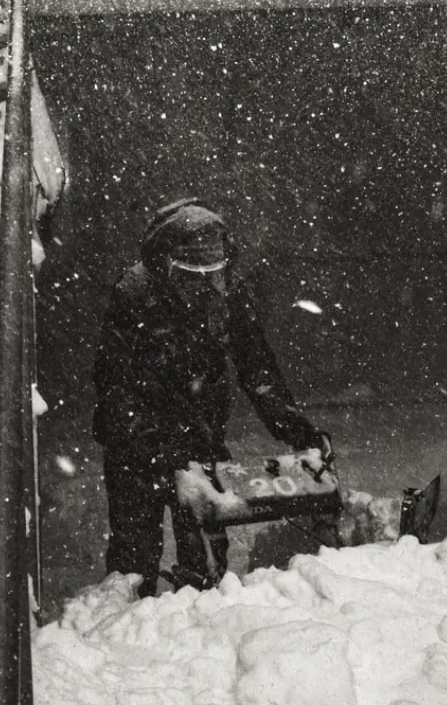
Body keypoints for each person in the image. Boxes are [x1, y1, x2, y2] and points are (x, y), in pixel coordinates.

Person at [90, 198, 328, 592]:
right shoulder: (133, 293)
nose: (201, 285)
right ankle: (127, 624)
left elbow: (257, 366)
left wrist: (293, 426)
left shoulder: (229, 292)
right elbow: (114, 382)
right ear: (165, 265)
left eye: (211, 274)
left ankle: (202, 616)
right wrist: (150, 445)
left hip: (199, 431)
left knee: (206, 559)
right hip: (134, 444)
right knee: (133, 560)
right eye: (189, 275)